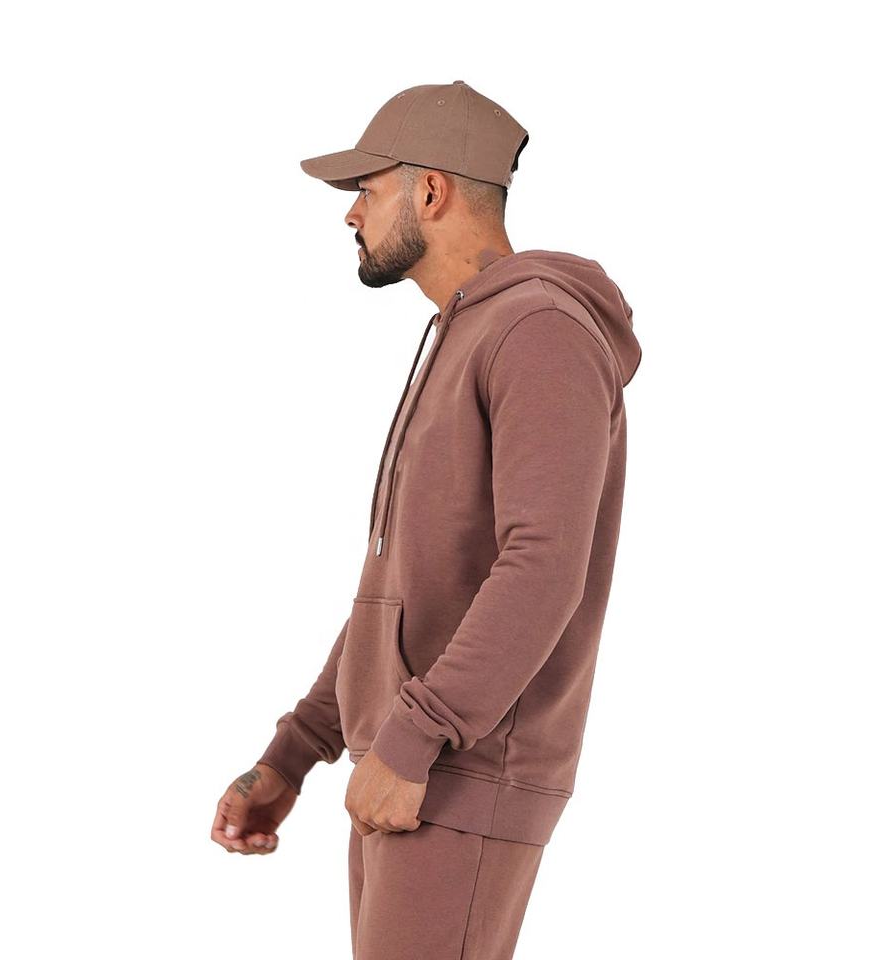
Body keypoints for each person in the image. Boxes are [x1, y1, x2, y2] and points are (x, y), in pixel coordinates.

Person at [210, 80, 643, 960]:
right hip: (407, 772)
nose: (351, 215)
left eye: (367, 190)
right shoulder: (464, 334)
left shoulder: (539, 332)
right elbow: (400, 589)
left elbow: (544, 565)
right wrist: (295, 751)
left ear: (432, 192)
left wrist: (416, 738)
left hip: (456, 772)